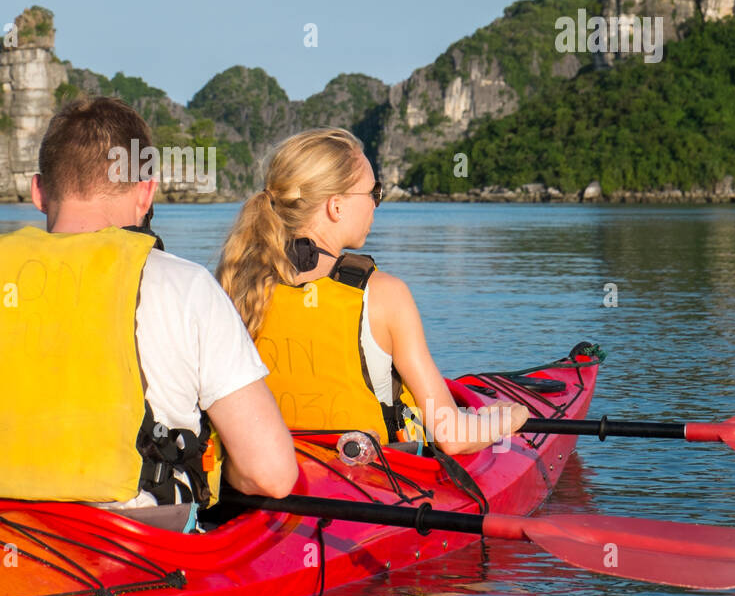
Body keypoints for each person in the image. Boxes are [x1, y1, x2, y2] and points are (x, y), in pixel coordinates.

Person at [0, 97, 297, 534]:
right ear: (146, 193)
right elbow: (270, 474)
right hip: (133, 550)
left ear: (38, 191)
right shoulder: (187, 287)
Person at [215, 128, 528, 455]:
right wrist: (511, 416)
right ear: (336, 206)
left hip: (275, 469)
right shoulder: (384, 294)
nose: (376, 205)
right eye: (373, 193)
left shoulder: (238, 281)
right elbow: (452, 436)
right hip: (371, 483)